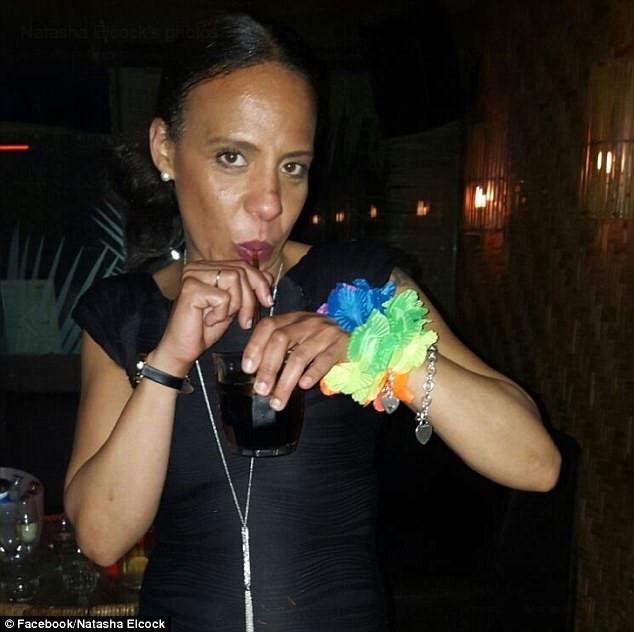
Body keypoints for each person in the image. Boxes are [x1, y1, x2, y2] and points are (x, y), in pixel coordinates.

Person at [64, 13, 561, 632]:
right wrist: (167, 360)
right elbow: (101, 537)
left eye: (292, 166)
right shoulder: (122, 312)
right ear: (165, 148)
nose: (270, 203)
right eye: (232, 157)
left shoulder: (356, 286)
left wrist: (382, 354)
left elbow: (536, 462)